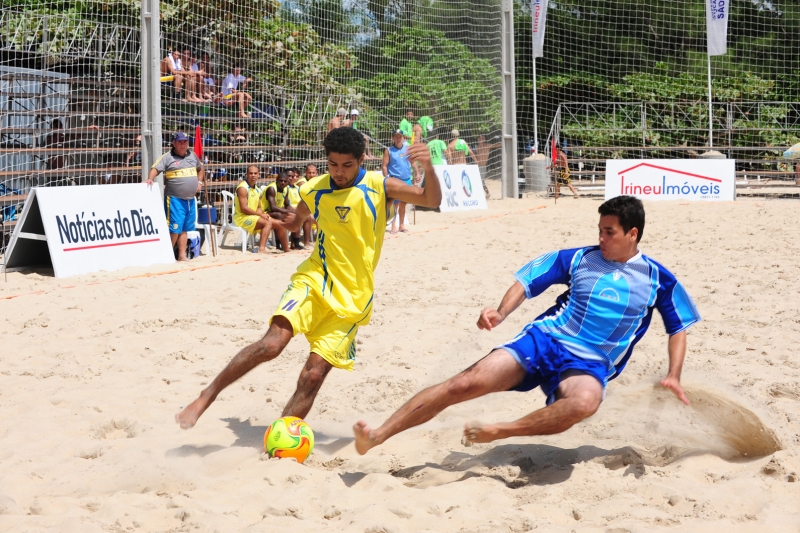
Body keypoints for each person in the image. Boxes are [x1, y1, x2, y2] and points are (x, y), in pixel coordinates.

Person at [354, 195, 701, 455]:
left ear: (632, 233)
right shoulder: (580, 258)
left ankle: (502, 430)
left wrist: (674, 374)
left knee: (585, 403)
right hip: (545, 339)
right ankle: (378, 435)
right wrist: (501, 312)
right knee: (463, 384)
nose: (601, 238)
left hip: (589, 363)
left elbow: (678, 328)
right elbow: (528, 280)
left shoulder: (658, 278)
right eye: (599, 230)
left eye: (609, 232)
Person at [175, 127, 442, 429]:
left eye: (347, 165)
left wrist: (429, 168)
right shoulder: (316, 188)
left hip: (353, 298)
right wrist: (291, 221)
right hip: (315, 278)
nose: (339, 172)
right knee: (271, 345)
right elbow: (297, 220)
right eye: (333, 164)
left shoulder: (380, 186)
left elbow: (430, 199)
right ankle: (207, 395)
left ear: (361, 160)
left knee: (313, 376)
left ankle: (280, 437)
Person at [146, 132, 205, 261]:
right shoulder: (168, 157)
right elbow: (155, 168)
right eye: (179, 142)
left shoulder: (193, 155)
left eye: (185, 142)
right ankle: (166, 256)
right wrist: (150, 178)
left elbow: (201, 168)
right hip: (174, 199)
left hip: (190, 200)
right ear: (174, 143)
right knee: (175, 228)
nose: (182, 144)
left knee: (184, 228)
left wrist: (199, 182)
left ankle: (181, 256)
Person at [234, 165, 274, 254]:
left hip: (252, 216)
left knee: (274, 222)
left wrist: (263, 215)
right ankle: (261, 249)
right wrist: (260, 215)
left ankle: (284, 246)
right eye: (251, 173)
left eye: (255, 173)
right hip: (241, 218)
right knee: (267, 223)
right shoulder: (242, 188)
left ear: (259, 174)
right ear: (246, 174)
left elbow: (259, 208)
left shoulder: (257, 189)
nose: (253, 175)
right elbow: (244, 209)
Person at [382, 129, 413, 234]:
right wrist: (387, 178)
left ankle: (402, 225)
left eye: (400, 136)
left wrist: (417, 173)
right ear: (393, 138)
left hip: (406, 179)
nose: (398, 138)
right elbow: (384, 166)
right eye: (396, 136)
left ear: (403, 138)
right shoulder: (389, 150)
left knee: (403, 204)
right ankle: (393, 226)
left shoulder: (407, 149)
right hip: (395, 180)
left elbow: (412, 162)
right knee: (394, 204)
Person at [260, 171, 293, 252]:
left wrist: (294, 211)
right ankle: (278, 243)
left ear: (288, 182)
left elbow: (287, 204)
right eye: (281, 180)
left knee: (294, 216)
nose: (283, 183)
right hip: (264, 212)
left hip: (275, 211)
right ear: (277, 180)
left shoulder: (286, 189)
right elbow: (273, 207)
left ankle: (295, 242)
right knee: (279, 215)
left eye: (285, 181)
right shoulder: (272, 188)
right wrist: (287, 211)